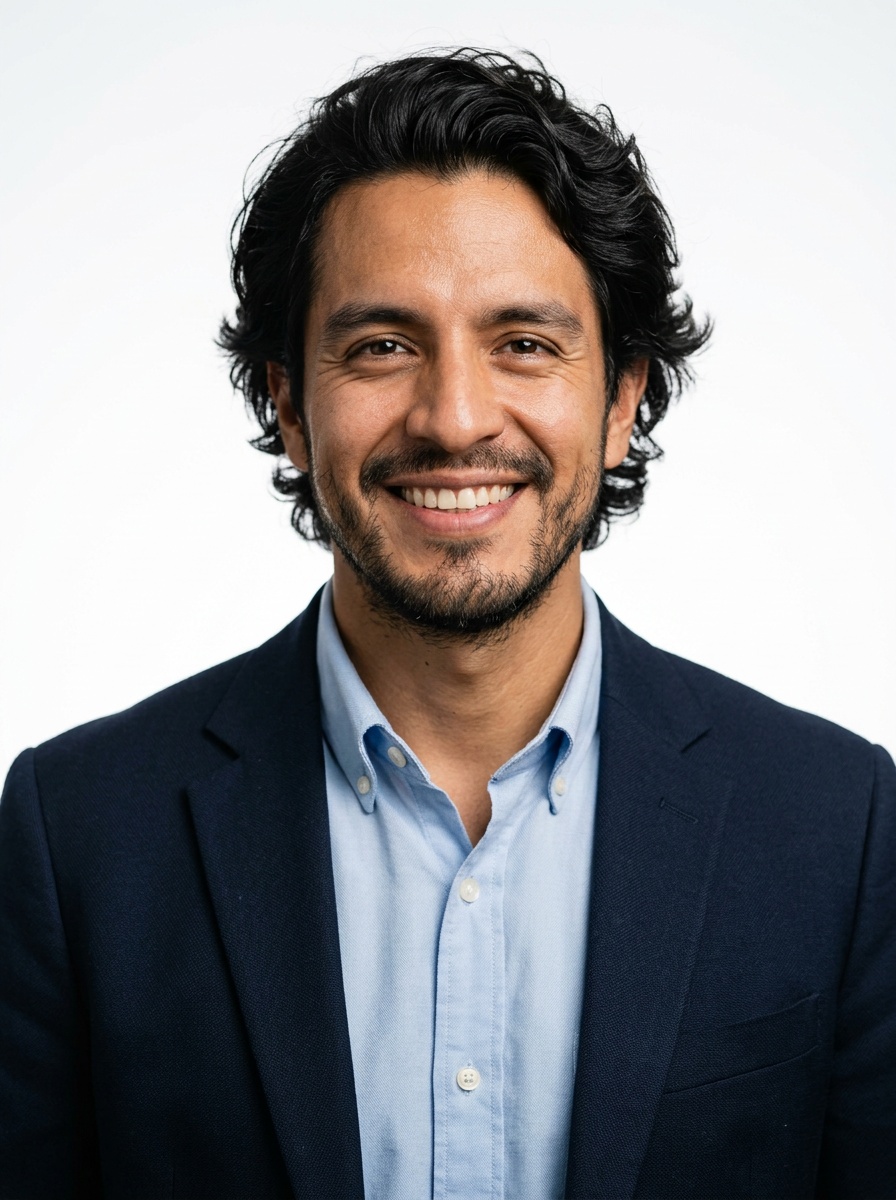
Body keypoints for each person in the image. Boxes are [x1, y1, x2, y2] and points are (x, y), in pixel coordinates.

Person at [1, 47, 893, 1200]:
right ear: (285, 402)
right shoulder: (77, 840)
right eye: (382, 346)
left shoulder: (836, 829)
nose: (455, 418)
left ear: (621, 399)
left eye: (523, 343)